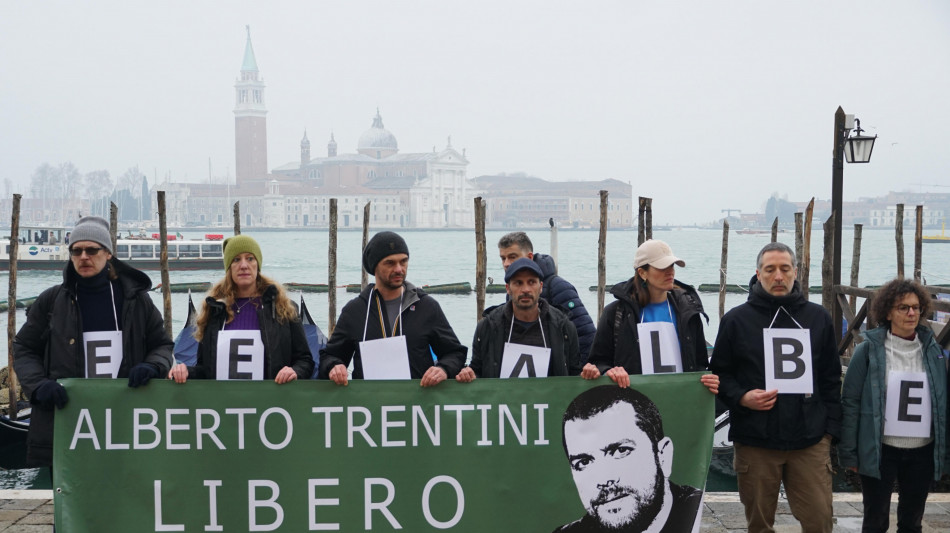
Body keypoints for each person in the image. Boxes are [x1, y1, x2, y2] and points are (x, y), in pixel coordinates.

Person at [13, 216, 174, 467]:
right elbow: (23, 347)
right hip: (69, 418)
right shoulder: (51, 301)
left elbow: (162, 345)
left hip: (126, 417)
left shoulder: (136, 300)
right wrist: (38, 386)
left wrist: (153, 366)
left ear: (108, 253)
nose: (84, 257)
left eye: (92, 250)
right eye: (76, 251)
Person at [709, 242, 841, 533]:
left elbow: (831, 378)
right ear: (758, 273)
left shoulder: (818, 318)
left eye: (785, 269)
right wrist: (742, 397)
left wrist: (829, 432)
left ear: (796, 272)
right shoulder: (735, 320)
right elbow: (719, 374)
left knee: (820, 520)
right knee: (758, 524)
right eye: (770, 270)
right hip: (756, 440)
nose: (778, 276)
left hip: (810, 440)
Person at [839, 278, 947, 533]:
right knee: (875, 521)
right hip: (881, 449)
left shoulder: (935, 352)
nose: (911, 313)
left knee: (912, 522)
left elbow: (943, 404)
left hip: (922, 451)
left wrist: (944, 453)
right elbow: (851, 402)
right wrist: (850, 453)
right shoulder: (866, 351)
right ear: (887, 312)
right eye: (903, 307)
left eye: (916, 307)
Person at [319, 231, 466, 386]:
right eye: (390, 263)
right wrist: (334, 367)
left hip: (419, 405)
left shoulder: (427, 306)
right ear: (374, 266)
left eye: (403, 262)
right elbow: (328, 356)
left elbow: (455, 353)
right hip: (369, 405)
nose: (399, 269)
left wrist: (443, 369)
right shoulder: (355, 311)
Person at [555, 385, 703, 533]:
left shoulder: (702, 518)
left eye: (621, 451)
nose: (604, 479)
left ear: (663, 455)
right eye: (584, 462)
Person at [167, 235, 313, 383]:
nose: (244, 265)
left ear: (258, 264)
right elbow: (205, 370)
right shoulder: (215, 310)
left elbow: (305, 361)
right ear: (229, 267)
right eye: (236, 260)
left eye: (250, 258)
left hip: (272, 403)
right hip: (224, 403)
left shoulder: (283, 308)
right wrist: (185, 371)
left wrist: (295, 371)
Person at [582, 239, 718, 394]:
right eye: (662, 267)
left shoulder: (689, 311)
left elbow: (700, 364)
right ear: (642, 272)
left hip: (680, 401)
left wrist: (709, 379)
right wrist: (610, 372)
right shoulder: (615, 313)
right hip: (632, 402)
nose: (670, 272)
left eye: (672, 265)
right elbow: (598, 362)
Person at [456, 257, 580, 381]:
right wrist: (469, 375)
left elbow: (575, 375)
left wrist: (589, 373)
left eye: (531, 282)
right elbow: (478, 370)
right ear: (508, 288)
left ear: (541, 286)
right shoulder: (487, 326)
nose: (525, 289)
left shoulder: (564, 327)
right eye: (518, 283)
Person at [497, 232, 596, 364]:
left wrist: (577, 374)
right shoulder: (512, 291)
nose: (506, 264)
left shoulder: (559, 287)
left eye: (512, 257)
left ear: (530, 257)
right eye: (503, 258)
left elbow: (586, 334)